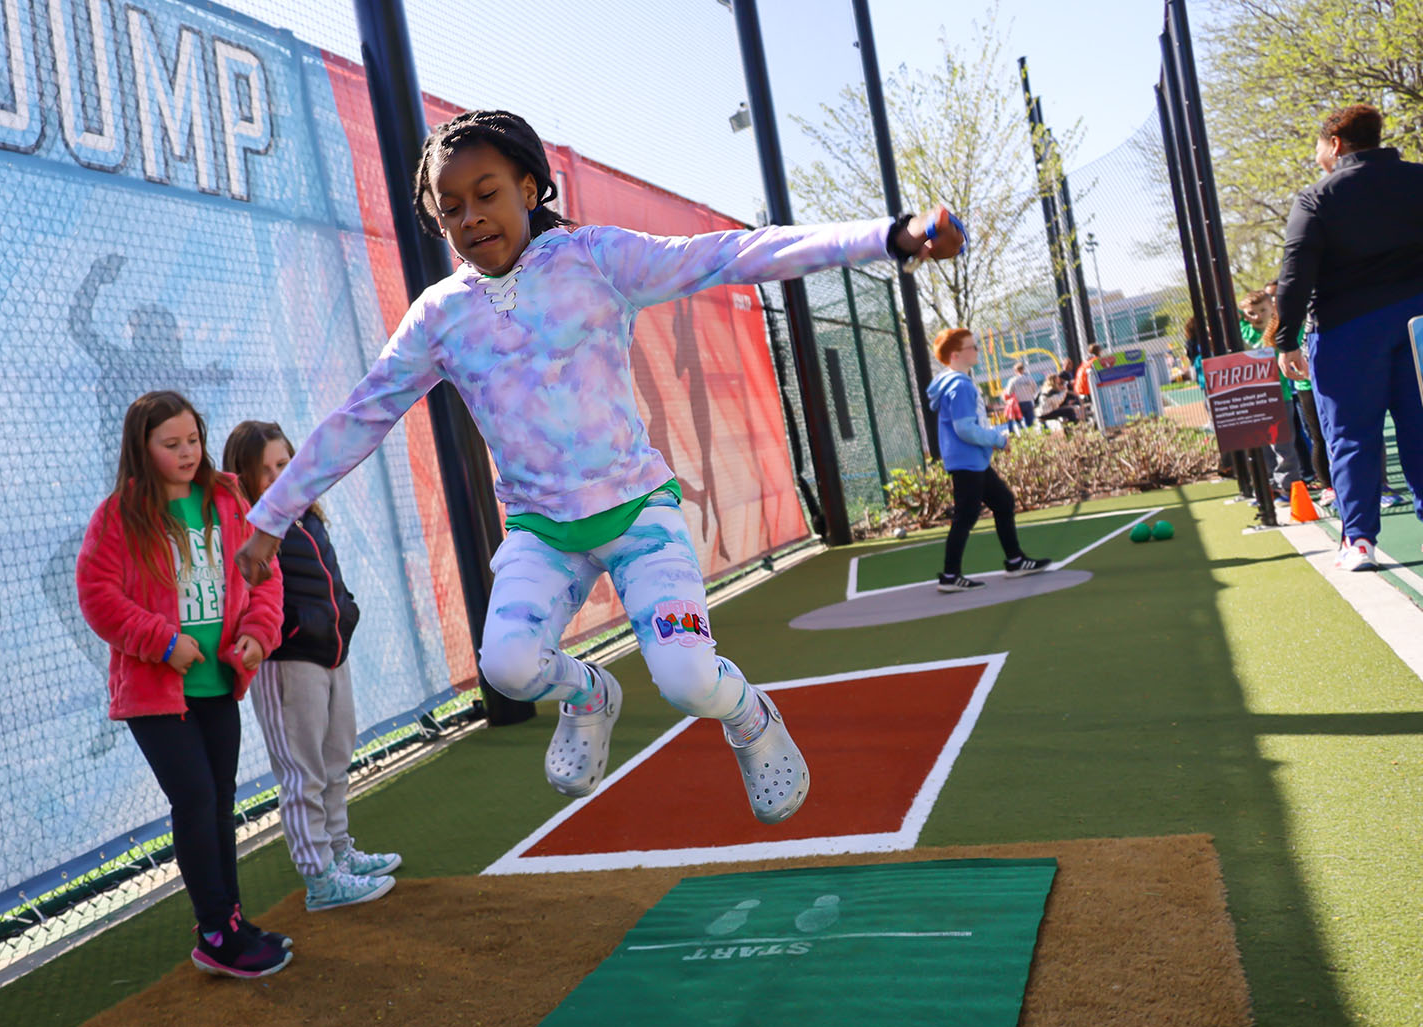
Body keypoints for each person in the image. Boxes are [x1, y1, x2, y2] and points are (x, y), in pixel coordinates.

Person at [232, 110, 966, 826]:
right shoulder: (438, 317)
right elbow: (363, 414)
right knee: (510, 667)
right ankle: (588, 697)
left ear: (528, 187)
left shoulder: (595, 259)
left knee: (685, 679)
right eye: (449, 208)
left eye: (487, 194)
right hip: (542, 533)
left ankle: (750, 716)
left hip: (639, 515)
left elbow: (729, 255)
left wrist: (891, 238)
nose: (470, 218)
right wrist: (270, 519)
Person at [75, 391, 291, 977]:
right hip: (157, 696)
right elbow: (97, 598)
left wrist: (257, 634)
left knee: (220, 802)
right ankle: (216, 932)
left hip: (221, 682)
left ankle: (232, 922)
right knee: (195, 801)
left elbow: (261, 574)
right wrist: (164, 642)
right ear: (142, 449)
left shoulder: (227, 496)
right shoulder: (118, 515)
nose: (188, 452)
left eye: (193, 439)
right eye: (171, 445)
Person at [221, 420, 400, 913]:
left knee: (336, 759)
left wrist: (347, 609)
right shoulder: (249, 527)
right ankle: (320, 878)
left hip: (331, 654)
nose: (279, 476)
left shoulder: (308, 516)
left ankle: (339, 852)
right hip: (288, 663)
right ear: (243, 478)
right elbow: (249, 591)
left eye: (286, 464)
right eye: (265, 471)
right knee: (304, 772)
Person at [1275, 103, 1423, 571]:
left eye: (1319, 147)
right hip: (1419, 320)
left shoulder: (1316, 198)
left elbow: (1294, 275)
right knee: (1421, 428)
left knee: (1351, 437)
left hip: (1347, 330)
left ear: (1335, 145)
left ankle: (1358, 540)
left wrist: (1286, 341)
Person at [926, 330, 1052, 592]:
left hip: (973, 460)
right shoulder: (959, 386)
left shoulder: (956, 382)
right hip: (967, 460)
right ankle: (950, 576)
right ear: (956, 355)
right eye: (972, 347)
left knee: (1003, 502)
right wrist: (998, 439)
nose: (978, 351)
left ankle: (1015, 561)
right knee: (966, 516)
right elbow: (965, 429)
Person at [1238, 290, 1305, 506]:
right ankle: (1267, 489)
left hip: (1279, 397)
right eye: (1252, 312)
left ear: (1272, 309)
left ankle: (1288, 487)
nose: (1257, 315)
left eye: (1262, 310)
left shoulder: (1278, 332)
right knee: (1261, 446)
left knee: (1283, 446)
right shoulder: (1242, 332)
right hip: (1254, 400)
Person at [1004, 362, 1039, 428]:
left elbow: (1009, 392)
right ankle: (1032, 434)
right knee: (1030, 422)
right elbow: (1035, 390)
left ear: (1015, 371)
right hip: (1029, 402)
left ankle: (1023, 434)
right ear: (1023, 369)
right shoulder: (1030, 379)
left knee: (1019, 422)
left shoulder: (1013, 380)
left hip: (1017, 404)